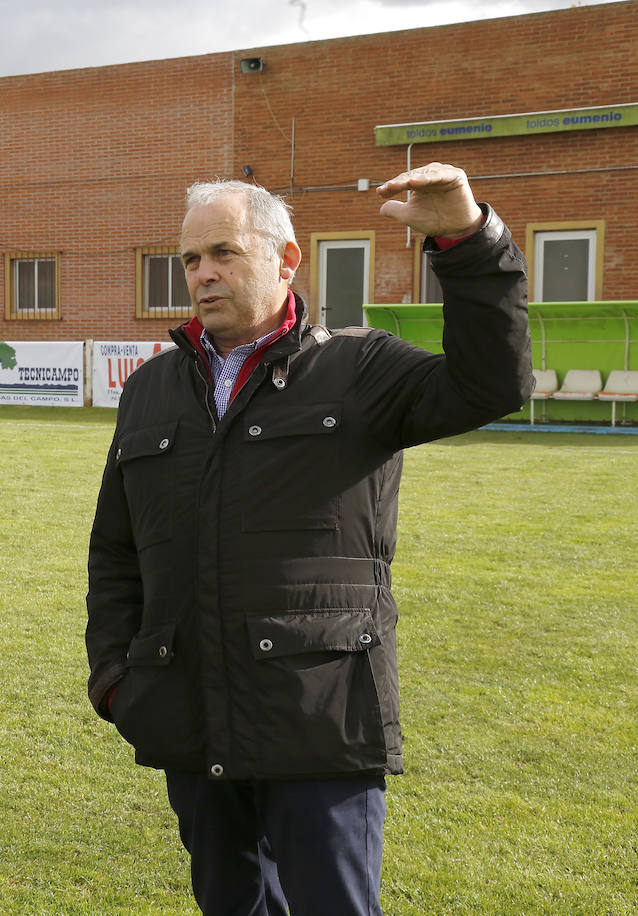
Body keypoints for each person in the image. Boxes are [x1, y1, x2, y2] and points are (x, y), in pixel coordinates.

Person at [85, 163, 531, 915]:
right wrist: (116, 679)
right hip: (190, 719)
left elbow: (491, 383)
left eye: (224, 252)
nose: (202, 274)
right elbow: (116, 553)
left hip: (320, 722)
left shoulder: (358, 368)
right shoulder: (150, 390)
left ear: (286, 258)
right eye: (190, 259)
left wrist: (467, 241)